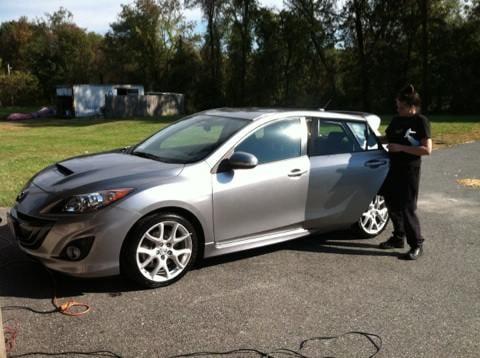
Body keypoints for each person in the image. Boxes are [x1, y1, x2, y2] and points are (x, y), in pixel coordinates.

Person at [378, 84, 432, 260]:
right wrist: (371, 137)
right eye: (397, 106)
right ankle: (398, 237)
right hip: (392, 168)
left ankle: (416, 244)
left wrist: (401, 148)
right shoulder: (396, 120)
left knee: (408, 208)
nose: (398, 109)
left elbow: (426, 149)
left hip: (409, 170)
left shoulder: (420, 121)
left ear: (412, 107)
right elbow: (388, 138)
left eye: (401, 107)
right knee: (392, 202)